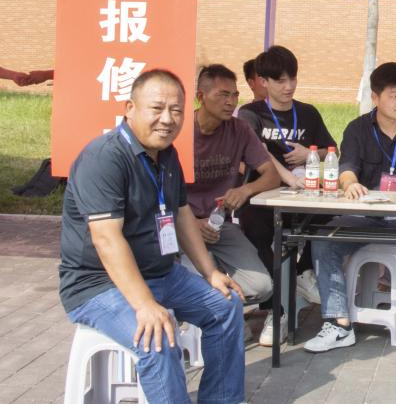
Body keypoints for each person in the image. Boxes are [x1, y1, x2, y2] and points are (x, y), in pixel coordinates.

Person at [58, 69, 246, 404]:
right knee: (158, 336)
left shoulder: (168, 154)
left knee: (226, 304)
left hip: (161, 273)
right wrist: (144, 304)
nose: (167, 119)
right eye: (157, 109)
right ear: (130, 108)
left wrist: (210, 272)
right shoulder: (104, 158)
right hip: (99, 285)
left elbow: (181, 213)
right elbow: (106, 239)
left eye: (176, 110)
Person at [304, 62, 396, 353]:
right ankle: (339, 324)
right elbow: (346, 169)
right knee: (323, 240)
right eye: (394, 95)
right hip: (365, 216)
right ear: (375, 97)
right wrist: (350, 184)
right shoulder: (357, 129)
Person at [238, 45, 337, 343]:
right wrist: (287, 178)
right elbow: (259, 153)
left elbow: (332, 149)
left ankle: (304, 273)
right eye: (280, 80)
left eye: (292, 78)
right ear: (263, 81)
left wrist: (310, 154)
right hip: (262, 197)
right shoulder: (250, 114)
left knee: (329, 217)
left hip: (303, 195)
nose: (288, 86)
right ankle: (276, 310)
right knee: (256, 232)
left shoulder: (307, 112)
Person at [188, 64, 282, 341]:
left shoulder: (239, 129)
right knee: (181, 282)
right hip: (180, 225)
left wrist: (246, 190)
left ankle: (220, 311)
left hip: (220, 225)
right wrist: (191, 224)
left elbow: (272, 175)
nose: (231, 102)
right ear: (201, 97)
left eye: (235, 95)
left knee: (262, 286)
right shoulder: (181, 132)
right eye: (223, 95)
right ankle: (219, 319)